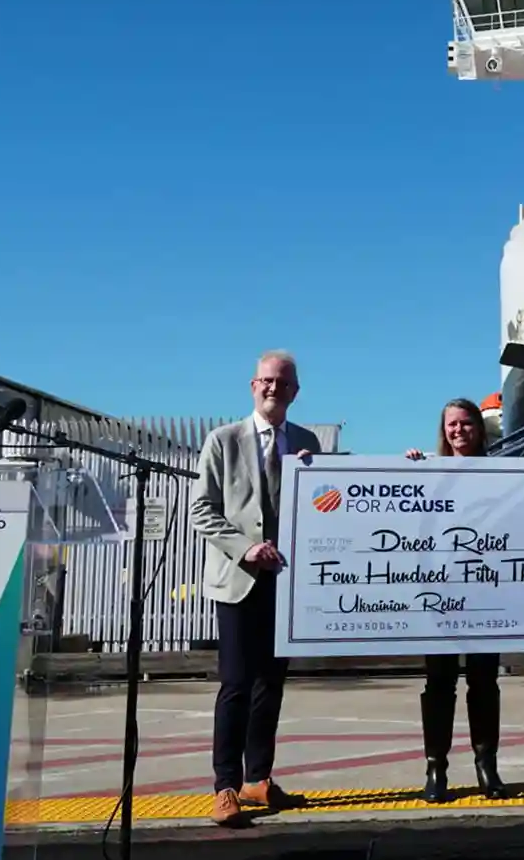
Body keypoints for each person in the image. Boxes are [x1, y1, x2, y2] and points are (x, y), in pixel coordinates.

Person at [188, 350, 323, 826]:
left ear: (295, 392)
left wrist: (315, 478)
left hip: (285, 583)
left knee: (272, 685)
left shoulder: (306, 443)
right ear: (252, 385)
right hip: (238, 582)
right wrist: (245, 547)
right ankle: (225, 785)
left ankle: (257, 778)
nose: (274, 389)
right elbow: (202, 509)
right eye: (267, 381)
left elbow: (324, 507)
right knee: (236, 685)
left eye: (283, 383)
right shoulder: (222, 441)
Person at [403, 398, 511, 803]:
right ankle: (436, 767)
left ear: (480, 429)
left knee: (484, 681)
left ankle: (487, 764)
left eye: (467, 423)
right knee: (439, 682)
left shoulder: (501, 472)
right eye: (452, 425)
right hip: (439, 593)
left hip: (486, 592)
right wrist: (407, 469)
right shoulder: (428, 471)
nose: (459, 431)